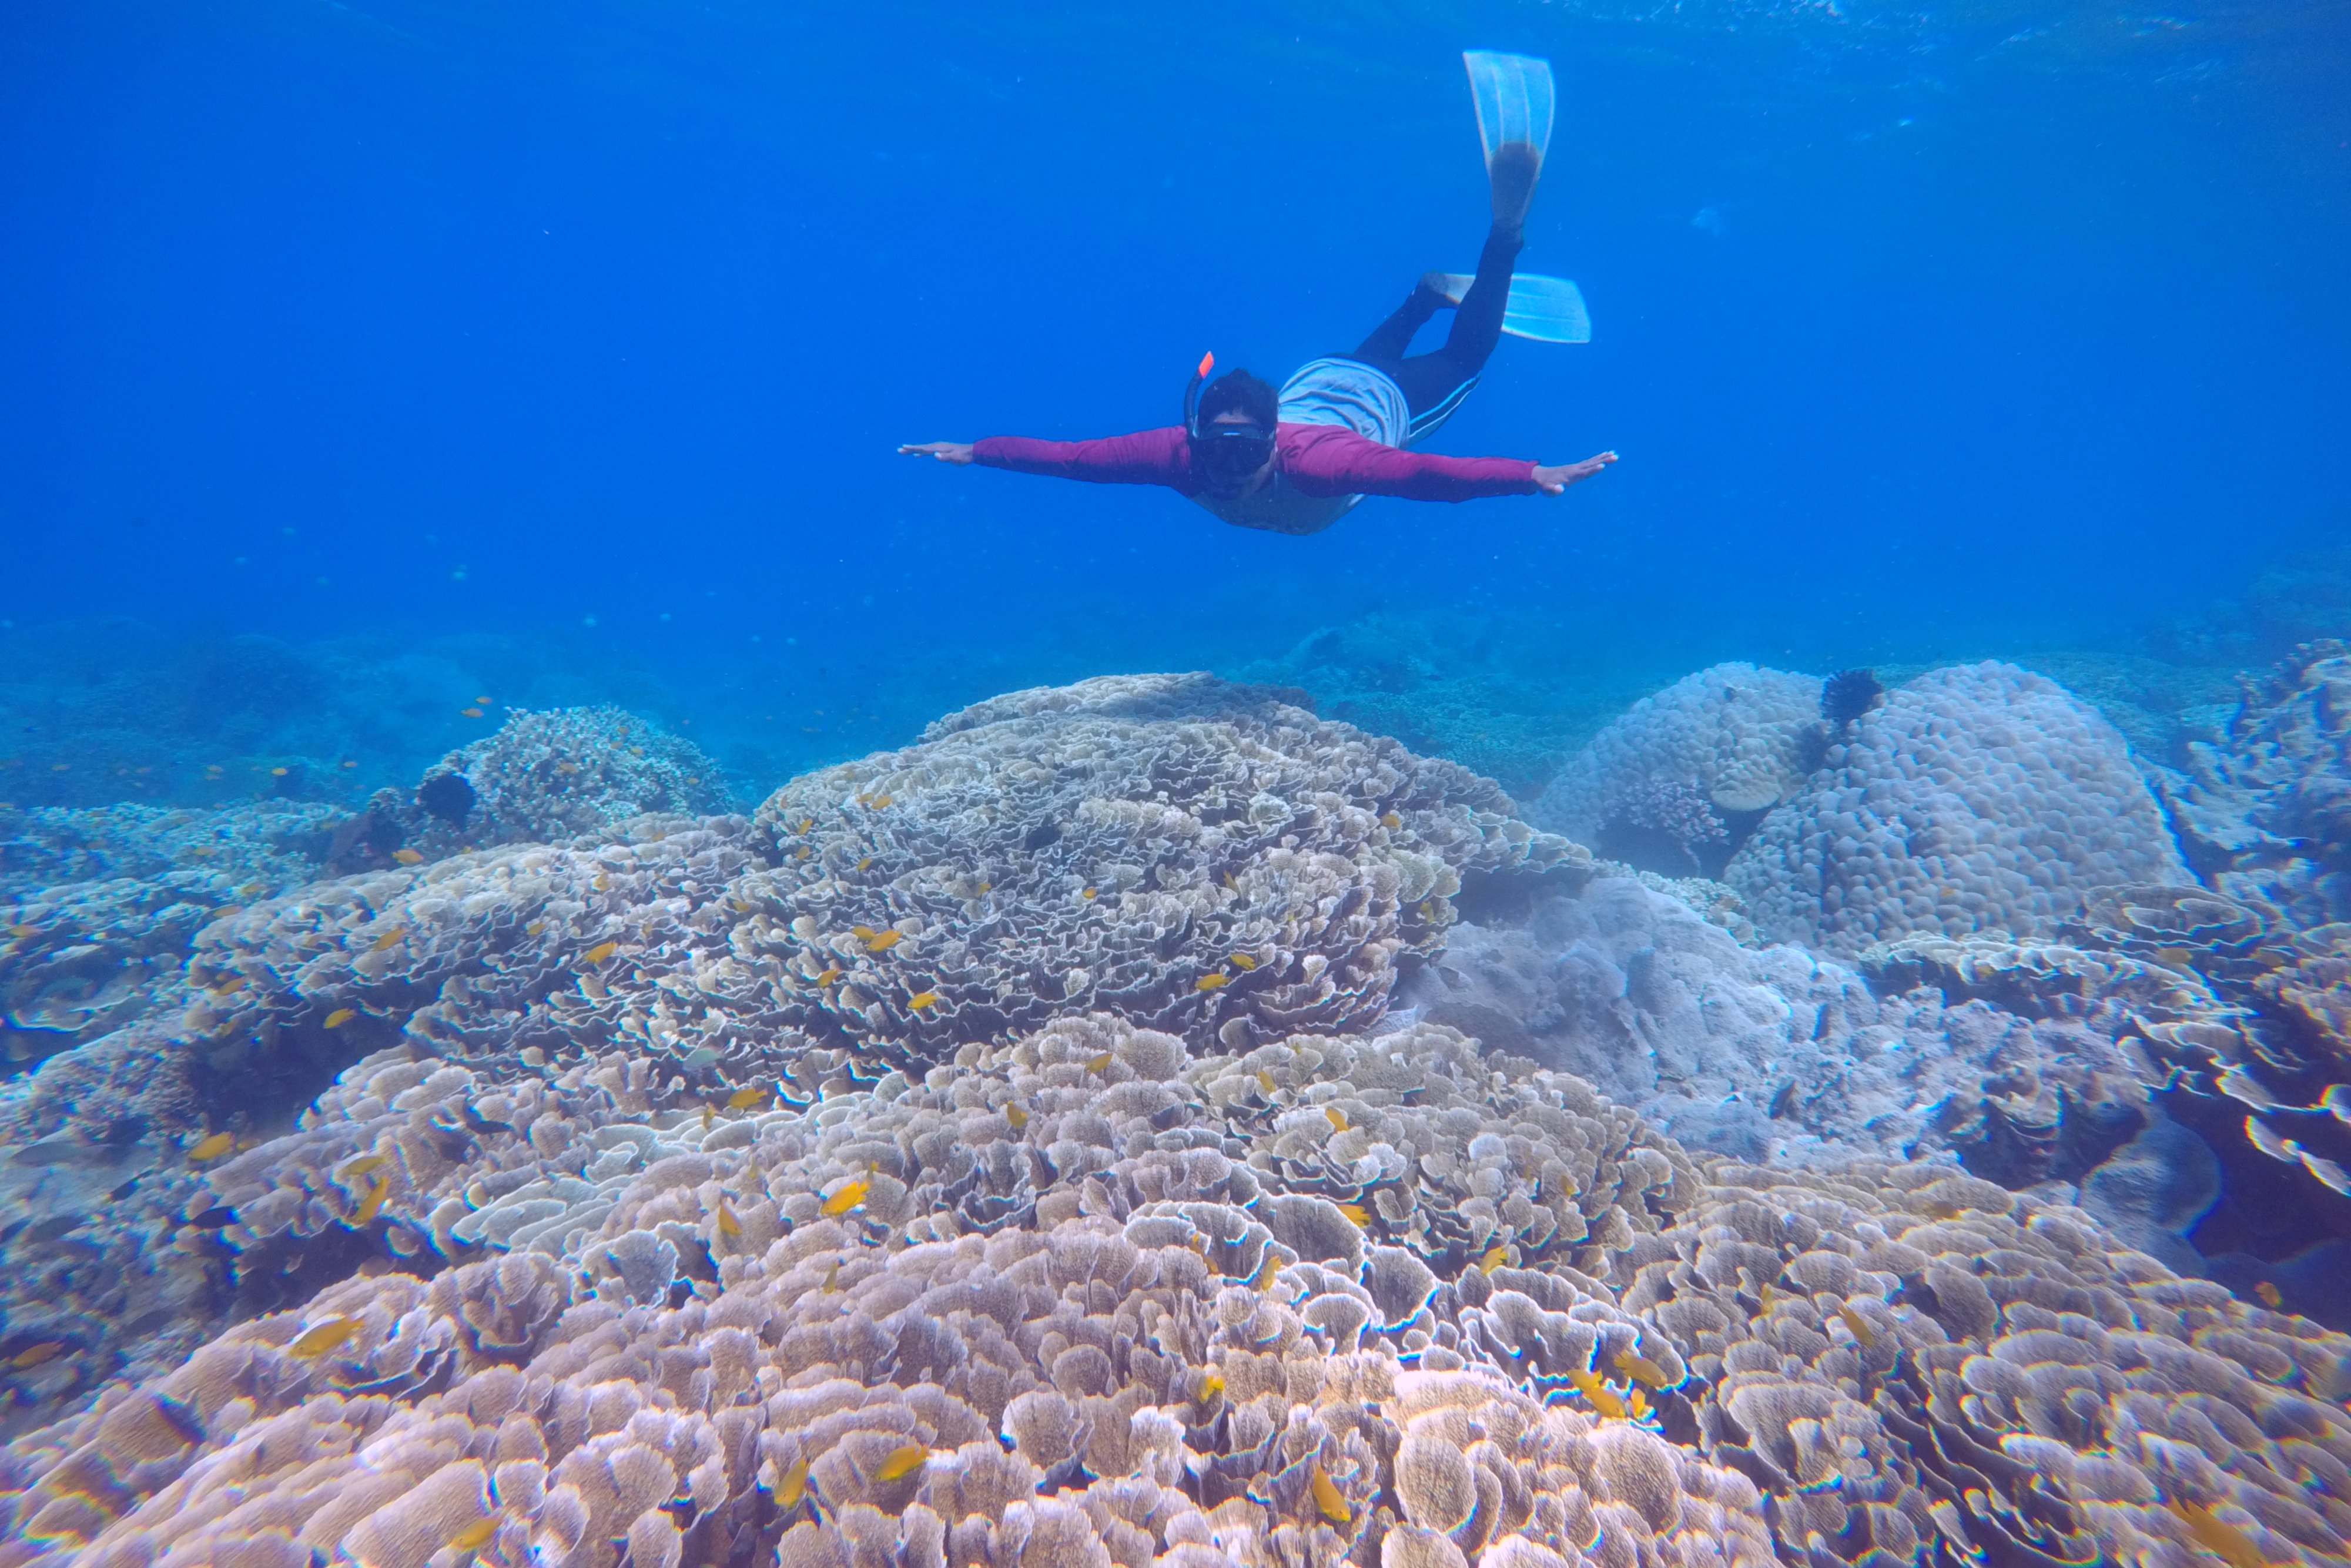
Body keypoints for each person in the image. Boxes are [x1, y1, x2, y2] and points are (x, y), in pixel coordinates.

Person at [899, 140, 1615, 537]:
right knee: (1362, 360)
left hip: (1375, 402)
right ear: (1197, 436)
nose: (1227, 467)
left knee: (1465, 358)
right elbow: (1072, 459)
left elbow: (1425, 478)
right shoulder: (1180, 457)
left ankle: (1503, 236)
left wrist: (1528, 476)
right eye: (1217, 449)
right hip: (1324, 378)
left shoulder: (1327, 463)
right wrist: (976, 452)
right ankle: (1423, 296)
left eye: (1243, 450)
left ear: (1276, 441)